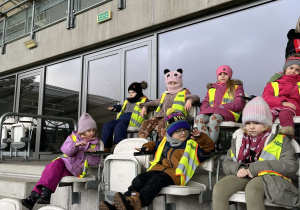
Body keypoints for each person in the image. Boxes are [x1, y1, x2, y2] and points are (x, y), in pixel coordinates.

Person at [99, 108, 215, 210]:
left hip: (176, 174)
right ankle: (125, 201)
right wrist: (145, 148)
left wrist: (201, 138)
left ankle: (138, 202)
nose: (183, 133)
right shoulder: (165, 142)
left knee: (155, 181)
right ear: (170, 133)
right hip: (159, 170)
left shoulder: (192, 145)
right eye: (178, 131)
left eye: (185, 130)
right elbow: (154, 144)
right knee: (140, 179)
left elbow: (209, 148)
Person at [213, 97, 299, 210]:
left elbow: (291, 166)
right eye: (248, 123)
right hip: (246, 174)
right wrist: (237, 168)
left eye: (256, 122)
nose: (251, 127)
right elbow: (227, 162)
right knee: (220, 188)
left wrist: (257, 167)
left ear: (266, 124)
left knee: (252, 188)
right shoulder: (239, 139)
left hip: (270, 177)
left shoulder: (280, 139)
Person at [21, 113, 101, 210]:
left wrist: (91, 153)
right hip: (66, 163)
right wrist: (76, 145)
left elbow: (94, 163)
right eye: (89, 131)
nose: (92, 133)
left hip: (76, 169)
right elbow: (65, 150)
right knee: (53, 166)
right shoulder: (73, 137)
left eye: (93, 130)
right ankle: (43, 194)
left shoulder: (95, 143)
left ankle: (36, 195)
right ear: (82, 131)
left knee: (51, 170)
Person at [138, 69, 200, 140]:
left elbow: (196, 97)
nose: (172, 85)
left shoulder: (183, 93)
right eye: (170, 83)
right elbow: (154, 102)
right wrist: (145, 106)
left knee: (162, 124)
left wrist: (190, 100)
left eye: (175, 83)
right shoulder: (165, 94)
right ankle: (141, 144)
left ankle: (164, 146)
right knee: (145, 123)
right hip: (160, 116)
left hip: (174, 117)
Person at [195, 65, 245, 144]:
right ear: (217, 76)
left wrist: (224, 106)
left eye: (225, 74)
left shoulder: (236, 87)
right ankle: (208, 145)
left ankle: (211, 146)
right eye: (220, 74)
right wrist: (205, 110)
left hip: (229, 113)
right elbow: (205, 102)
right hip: (212, 112)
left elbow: (240, 104)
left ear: (229, 76)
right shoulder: (211, 89)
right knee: (199, 118)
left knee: (214, 119)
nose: (222, 76)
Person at [101, 81, 148, 151]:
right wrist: (115, 108)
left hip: (132, 120)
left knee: (119, 126)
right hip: (122, 118)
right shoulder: (128, 101)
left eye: (133, 92)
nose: (131, 94)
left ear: (138, 92)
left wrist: (145, 106)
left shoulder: (143, 100)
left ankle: (118, 146)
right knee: (107, 125)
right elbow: (121, 107)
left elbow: (150, 104)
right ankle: (106, 147)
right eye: (129, 93)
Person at [262, 55, 300, 136]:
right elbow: (266, 98)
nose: (293, 71)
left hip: (293, 108)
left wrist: (288, 104)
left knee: (284, 113)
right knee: (268, 115)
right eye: (291, 68)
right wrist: (282, 102)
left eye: (297, 70)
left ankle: (288, 139)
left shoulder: (298, 85)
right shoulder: (273, 83)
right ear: (285, 69)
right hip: (274, 107)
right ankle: (264, 138)